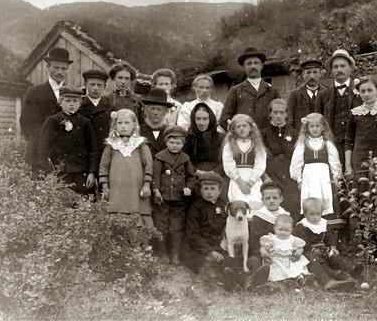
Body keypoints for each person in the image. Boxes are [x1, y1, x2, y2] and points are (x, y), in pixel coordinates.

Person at [182, 172, 270, 292]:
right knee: (217, 264)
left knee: (232, 261)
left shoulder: (225, 207)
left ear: (220, 191)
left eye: (212, 189)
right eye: (205, 188)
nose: (208, 192)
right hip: (199, 249)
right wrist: (209, 251)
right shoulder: (196, 208)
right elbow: (193, 235)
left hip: (220, 246)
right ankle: (234, 284)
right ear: (201, 190)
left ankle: (248, 283)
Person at [20, 47, 72, 175]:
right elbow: (26, 122)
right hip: (38, 155)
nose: (60, 71)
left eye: (63, 68)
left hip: (64, 156)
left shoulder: (72, 93)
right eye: (56, 67)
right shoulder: (34, 92)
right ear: (48, 67)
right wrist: (41, 141)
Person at [98, 109, 154, 227]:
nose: (123, 126)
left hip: (136, 190)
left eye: (127, 123)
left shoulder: (141, 144)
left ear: (134, 124)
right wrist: (104, 185)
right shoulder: (111, 145)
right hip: (116, 190)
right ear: (115, 125)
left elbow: (148, 165)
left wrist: (147, 184)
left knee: (137, 220)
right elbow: (104, 166)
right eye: (120, 123)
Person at [37, 85, 97, 194]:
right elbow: (43, 148)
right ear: (60, 102)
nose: (71, 104)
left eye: (75, 101)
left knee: (81, 204)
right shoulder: (53, 121)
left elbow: (92, 150)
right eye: (67, 100)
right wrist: (49, 172)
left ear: (80, 103)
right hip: (60, 172)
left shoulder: (85, 123)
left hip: (81, 172)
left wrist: (92, 172)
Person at [294, 198, 359, 291]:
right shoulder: (302, 226)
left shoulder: (323, 224)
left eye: (318, 214)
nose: (315, 217)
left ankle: (352, 271)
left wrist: (332, 247)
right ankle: (329, 280)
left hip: (324, 249)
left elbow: (330, 237)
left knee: (335, 258)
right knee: (316, 261)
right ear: (305, 214)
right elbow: (301, 241)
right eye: (311, 214)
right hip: (309, 251)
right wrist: (312, 249)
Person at [152, 126, 196, 265]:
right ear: (166, 142)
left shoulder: (185, 159)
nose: (175, 146)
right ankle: (162, 252)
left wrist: (189, 187)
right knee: (161, 224)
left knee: (176, 226)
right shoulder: (160, 158)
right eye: (172, 142)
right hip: (162, 198)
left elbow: (191, 177)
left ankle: (175, 254)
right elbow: (156, 176)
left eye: (178, 143)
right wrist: (156, 190)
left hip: (179, 198)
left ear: (183, 144)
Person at [316, 49, 362, 169]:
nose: (339, 70)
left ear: (350, 68)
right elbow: (318, 121)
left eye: (343, 66)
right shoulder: (323, 94)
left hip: (356, 145)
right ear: (331, 70)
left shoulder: (360, 91)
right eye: (335, 67)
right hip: (332, 144)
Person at [344, 76, 377, 180]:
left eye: (370, 90)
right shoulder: (354, 113)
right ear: (359, 93)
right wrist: (348, 166)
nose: (366, 94)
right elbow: (348, 141)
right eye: (362, 91)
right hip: (359, 161)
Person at [290, 113, 342, 216]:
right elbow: (296, 164)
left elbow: (335, 163)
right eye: (311, 126)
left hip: (325, 177)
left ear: (323, 127)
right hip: (309, 177)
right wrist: (299, 180)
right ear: (307, 128)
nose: (315, 129)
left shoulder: (328, 144)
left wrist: (336, 178)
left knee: (326, 198)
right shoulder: (302, 145)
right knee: (310, 198)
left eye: (318, 126)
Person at [219, 47, 280, 131]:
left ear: (261, 65)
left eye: (256, 63)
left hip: (267, 140)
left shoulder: (272, 91)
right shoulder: (235, 91)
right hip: (244, 140)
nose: (253, 66)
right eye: (249, 63)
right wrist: (238, 133)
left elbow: (280, 115)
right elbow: (224, 120)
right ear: (244, 66)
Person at [260, 99, 300, 220]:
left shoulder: (294, 132)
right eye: (275, 112)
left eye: (282, 112)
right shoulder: (263, 133)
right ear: (270, 114)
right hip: (270, 175)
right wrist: (264, 175)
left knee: (293, 201)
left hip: (289, 175)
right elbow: (259, 157)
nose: (278, 116)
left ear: (286, 114)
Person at [222, 114, 266, 214]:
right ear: (234, 129)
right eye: (238, 126)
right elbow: (228, 164)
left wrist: (251, 181)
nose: (241, 128)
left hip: (253, 179)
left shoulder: (257, 144)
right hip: (236, 179)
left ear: (250, 128)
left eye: (244, 126)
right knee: (238, 203)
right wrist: (239, 181)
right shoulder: (229, 145)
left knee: (256, 204)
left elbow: (260, 164)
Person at [260, 215, 315, 288]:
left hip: (290, 260)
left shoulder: (293, 239)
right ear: (274, 228)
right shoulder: (271, 238)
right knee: (277, 274)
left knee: (296, 270)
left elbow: (300, 247)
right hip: (276, 260)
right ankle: (283, 284)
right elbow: (263, 248)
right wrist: (264, 253)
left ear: (291, 230)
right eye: (280, 229)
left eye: (286, 230)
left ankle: (301, 281)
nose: (283, 232)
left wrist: (299, 252)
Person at [247, 182, 290, 274]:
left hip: (282, 251)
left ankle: (292, 281)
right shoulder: (259, 216)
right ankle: (259, 282)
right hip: (263, 252)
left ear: (281, 199)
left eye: (275, 198)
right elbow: (253, 240)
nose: (271, 201)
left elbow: (291, 236)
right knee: (254, 261)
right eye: (267, 198)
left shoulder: (286, 216)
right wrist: (261, 250)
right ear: (262, 200)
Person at [79, 69, 112, 164]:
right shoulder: (79, 106)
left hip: (104, 153)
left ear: (105, 87)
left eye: (99, 85)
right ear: (85, 84)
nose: (95, 88)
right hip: (85, 154)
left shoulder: (110, 105)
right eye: (92, 84)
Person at [184, 102, 224, 175]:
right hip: (193, 175)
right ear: (193, 120)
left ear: (210, 119)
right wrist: (197, 172)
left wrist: (213, 173)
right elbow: (184, 160)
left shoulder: (220, 138)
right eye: (198, 119)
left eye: (205, 119)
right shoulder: (187, 138)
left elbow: (226, 161)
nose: (201, 123)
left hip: (216, 176)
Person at [286, 58, 325, 132]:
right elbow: (289, 120)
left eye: (315, 72)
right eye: (308, 73)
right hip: (301, 136)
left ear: (320, 74)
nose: (312, 76)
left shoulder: (326, 93)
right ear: (303, 75)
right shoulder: (295, 94)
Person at [140, 88, 173, 158]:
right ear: (146, 111)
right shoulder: (138, 131)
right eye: (152, 108)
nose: (155, 113)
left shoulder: (170, 132)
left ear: (165, 112)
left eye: (159, 109)